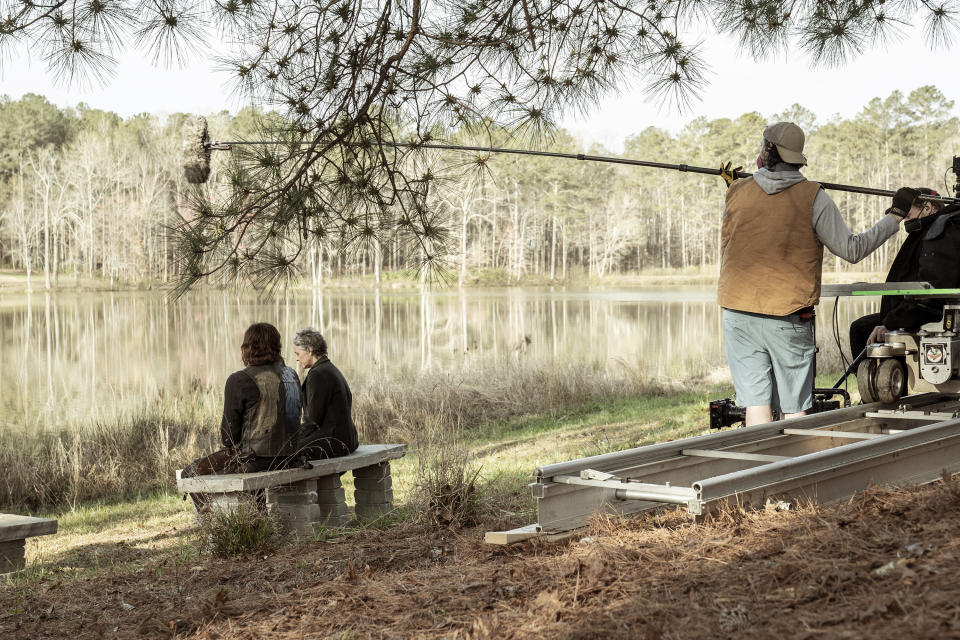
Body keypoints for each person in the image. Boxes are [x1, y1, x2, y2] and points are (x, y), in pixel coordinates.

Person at [718, 121, 911, 426]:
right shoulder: (813, 196)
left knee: (756, 407)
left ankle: (758, 468)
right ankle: (793, 470)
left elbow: (729, 245)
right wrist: (895, 216)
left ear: (768, 152)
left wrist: (737, 185)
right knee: (794, 412)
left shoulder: (736, 191)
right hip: (787, 316)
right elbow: (851, 249)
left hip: (738, 314)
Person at [180, 323, 302, 500]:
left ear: (247, 347)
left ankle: (211, 520)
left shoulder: (238, 380)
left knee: (189, 472)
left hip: (256, 461)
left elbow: (229, 438)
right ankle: (257, 516)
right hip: (292, 457)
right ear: (277, 346)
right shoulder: (292, 375)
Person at [850, 189, 960, 357]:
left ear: (927, 207)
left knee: (861, 329)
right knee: (862, 326)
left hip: (931, 317)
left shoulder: (940, 231)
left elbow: (931, 294)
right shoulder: (926, 231)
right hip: (915, 313)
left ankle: (885, 381)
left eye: (907, 216)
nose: (905, 222)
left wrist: (891, 323)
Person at [292, 328, 359, 459]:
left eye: (298, 354)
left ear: (309, 350)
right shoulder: (330, 369)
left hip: (335, 442)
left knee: (284, 453)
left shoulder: (318, 374)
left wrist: (290, 439)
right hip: (348, 438)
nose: (297, 359)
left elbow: (312, 420)